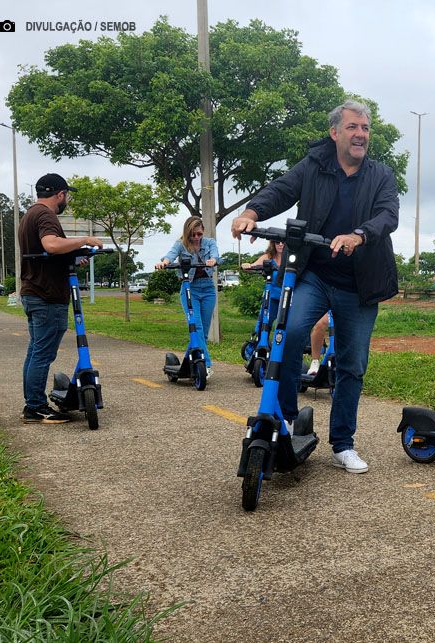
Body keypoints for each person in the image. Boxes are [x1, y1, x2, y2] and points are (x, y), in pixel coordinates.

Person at [230, 99, 399, 474]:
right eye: (353, 127)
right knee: (289, 336)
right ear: (335, 132)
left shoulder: (381, 175)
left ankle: (343, 443)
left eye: (366, 128)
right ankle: (287, 419)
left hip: (360, 282)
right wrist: (250, 213)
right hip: (314, 274)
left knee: (352, 364)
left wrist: (359, 235)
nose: (361, 134)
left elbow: (388, 215)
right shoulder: (313, 166)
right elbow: (280, 190)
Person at [19, 173, 104, 423]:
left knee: (35, 352)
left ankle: (32, 405)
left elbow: (51, 252)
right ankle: (35, 407)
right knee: (42, 354)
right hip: (46, 296)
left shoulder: (30, 214)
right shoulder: (45, 215)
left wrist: (75, 256)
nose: (66, 199)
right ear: (60, 194)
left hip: (34, 291)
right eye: (66, 194)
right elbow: (51, 245)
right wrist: (85, 239)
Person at [241, 241, 329, 377]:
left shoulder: (294, 258)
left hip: (290, 297)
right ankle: (256, 348)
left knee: (290, 326)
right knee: (265, 323)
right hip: (274, 297)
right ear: (273, 244)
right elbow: (254, 265)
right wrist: (248, 266)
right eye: (277, 242)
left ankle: (293, 354)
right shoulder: (269, 257)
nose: (280, 245)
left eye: (283, 242)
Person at [155, 216, 220, 378]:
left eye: (199, 234)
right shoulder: (181, 244)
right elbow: (170, 255)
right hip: (189, 288)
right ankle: (206, 364)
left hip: (208, 289)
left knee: (202, 333)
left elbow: (215, 254)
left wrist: (212, 260)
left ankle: (187, 363)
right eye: (193, 235)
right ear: (187, 233)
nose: (196, 238)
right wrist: (164, 262)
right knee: (196, 327)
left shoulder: (209, 242)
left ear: (203, 231)